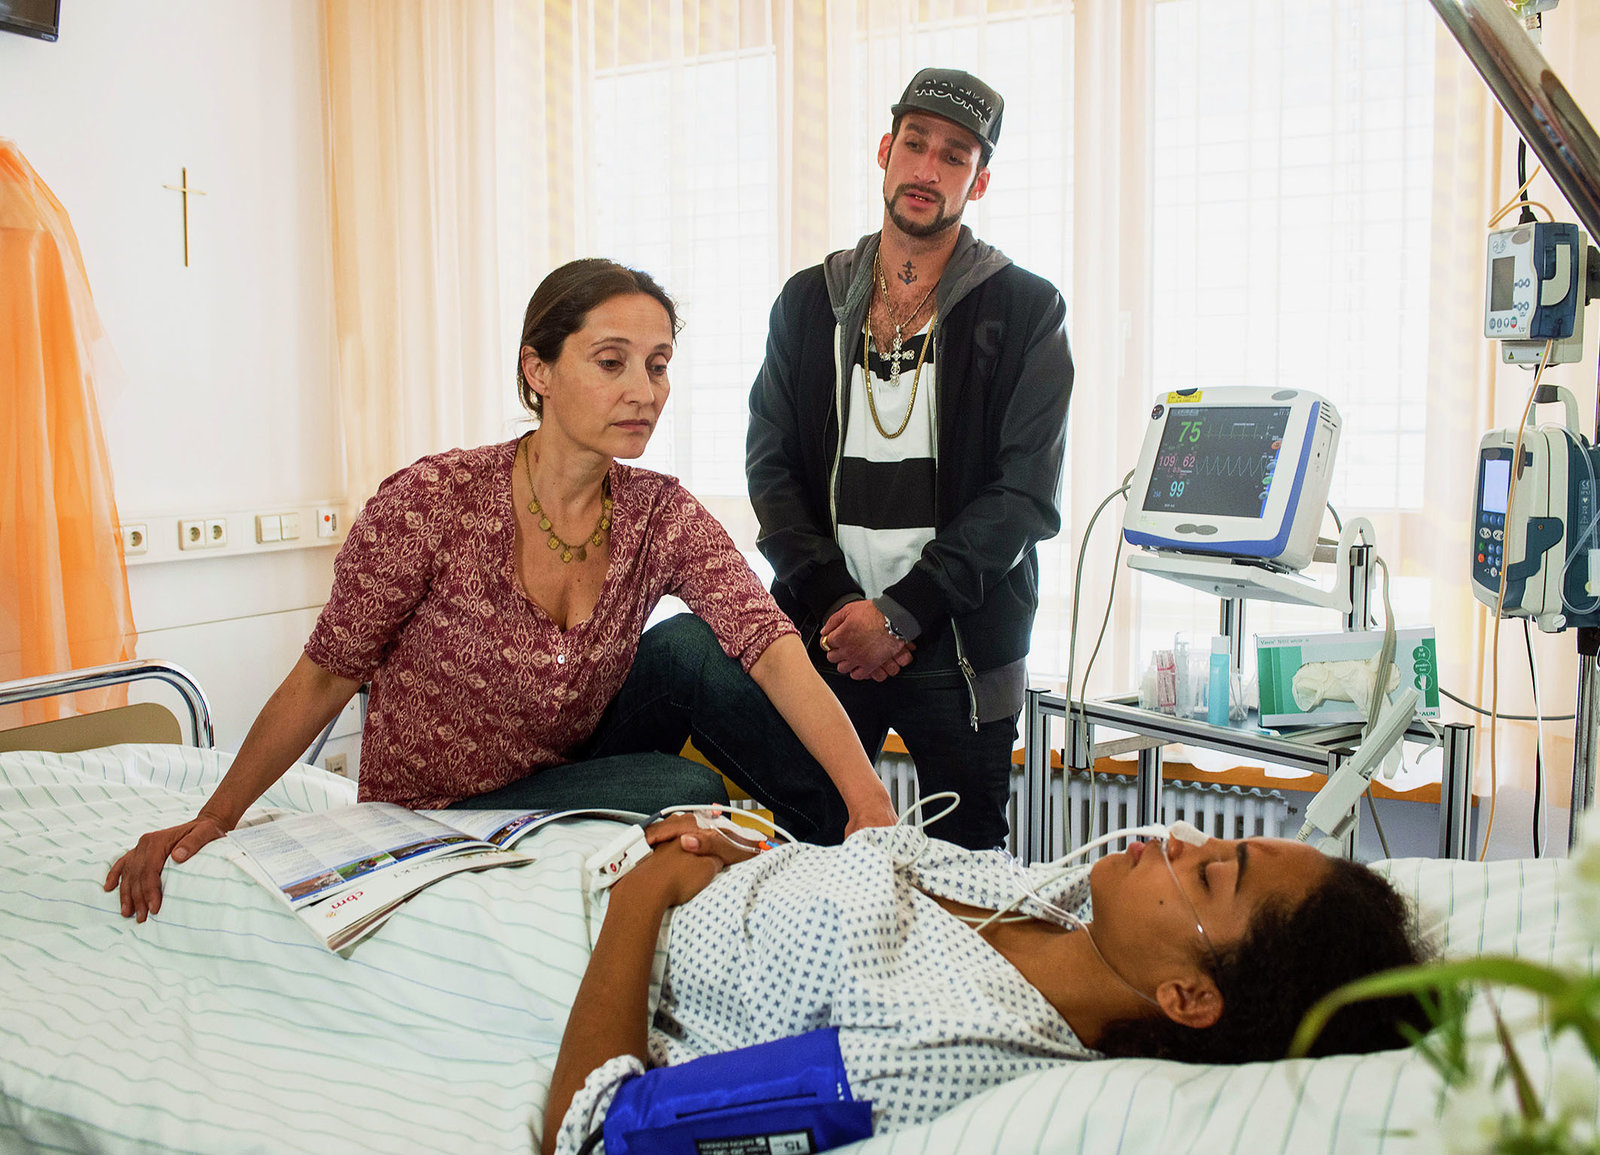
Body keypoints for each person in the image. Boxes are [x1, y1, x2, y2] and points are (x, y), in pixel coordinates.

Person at [106, 258, 897, 922]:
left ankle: (865, 856)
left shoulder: (659, 513)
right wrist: (217, 815)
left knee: (692, 646)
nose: (645, 390)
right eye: (612, 361)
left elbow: (771, 647)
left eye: (658, 365)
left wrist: (869, 800)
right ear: (537, 370)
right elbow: (325, 674)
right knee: (683, 786)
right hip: (435, 810)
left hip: (564, 769)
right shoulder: (433, 502)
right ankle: (848, 855)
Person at [541, 824, 1428, 1155]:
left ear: (1187, 998)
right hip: (650, 854)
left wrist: (644, 892)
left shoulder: (949, 1053)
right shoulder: (1050, 899)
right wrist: (754, 857)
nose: (1179, 840)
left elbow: (599, 1132)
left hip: (569, 938)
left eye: (1207, 874)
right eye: (1209, 842)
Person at [746, 67, 1073, 851]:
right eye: (916, 144)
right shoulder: (808, 301)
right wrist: (840, 606)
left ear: (979, 181)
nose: (928, 168)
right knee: (812, 856)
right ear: (885, 152)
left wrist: (900, 614)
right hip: (828, 636)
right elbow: (771, 470)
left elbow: (1024, 495)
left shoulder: (1027, 309)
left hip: (962, 647)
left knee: (967, 871)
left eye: (954, 156)